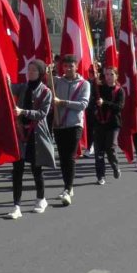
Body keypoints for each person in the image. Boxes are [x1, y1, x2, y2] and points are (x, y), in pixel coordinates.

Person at [7, 59, 55, 218]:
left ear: (40, 73)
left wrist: (23, 112)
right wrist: (5, 79)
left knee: (36, 169)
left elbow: (42, 114)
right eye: (29, 69)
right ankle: (16, 206)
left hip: (36, 134)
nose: (30, 72)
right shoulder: (23, 87)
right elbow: (8, 88)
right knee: (17, 170)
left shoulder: (46, 92)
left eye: (34, 70)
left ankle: (41, 198)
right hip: (20, 134)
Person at [52, 54, 90, 206]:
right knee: (62, 158)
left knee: (70, 156)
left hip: (75, 125)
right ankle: (68, 184)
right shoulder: (57, 81)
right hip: (59, 124)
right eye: (65, 66)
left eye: (71, 66)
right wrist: (49, 69)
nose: (68, 69)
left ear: (76, 66)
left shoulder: (84, 84)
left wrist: (63, 102)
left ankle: (67, 189)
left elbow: (83, 104)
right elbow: (43, 83)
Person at [93, 66, 123, 185]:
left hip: (113, 124)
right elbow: (93, 101)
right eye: (107, 75)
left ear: (116, 76)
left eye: (111, 74)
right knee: (99, 151)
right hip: (99, 123)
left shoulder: (119, 90)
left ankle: (115, 165)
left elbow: (119, 107)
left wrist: (104, 103)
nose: (109, 77)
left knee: (110, 148)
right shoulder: (99, 88)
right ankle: (101, 176)